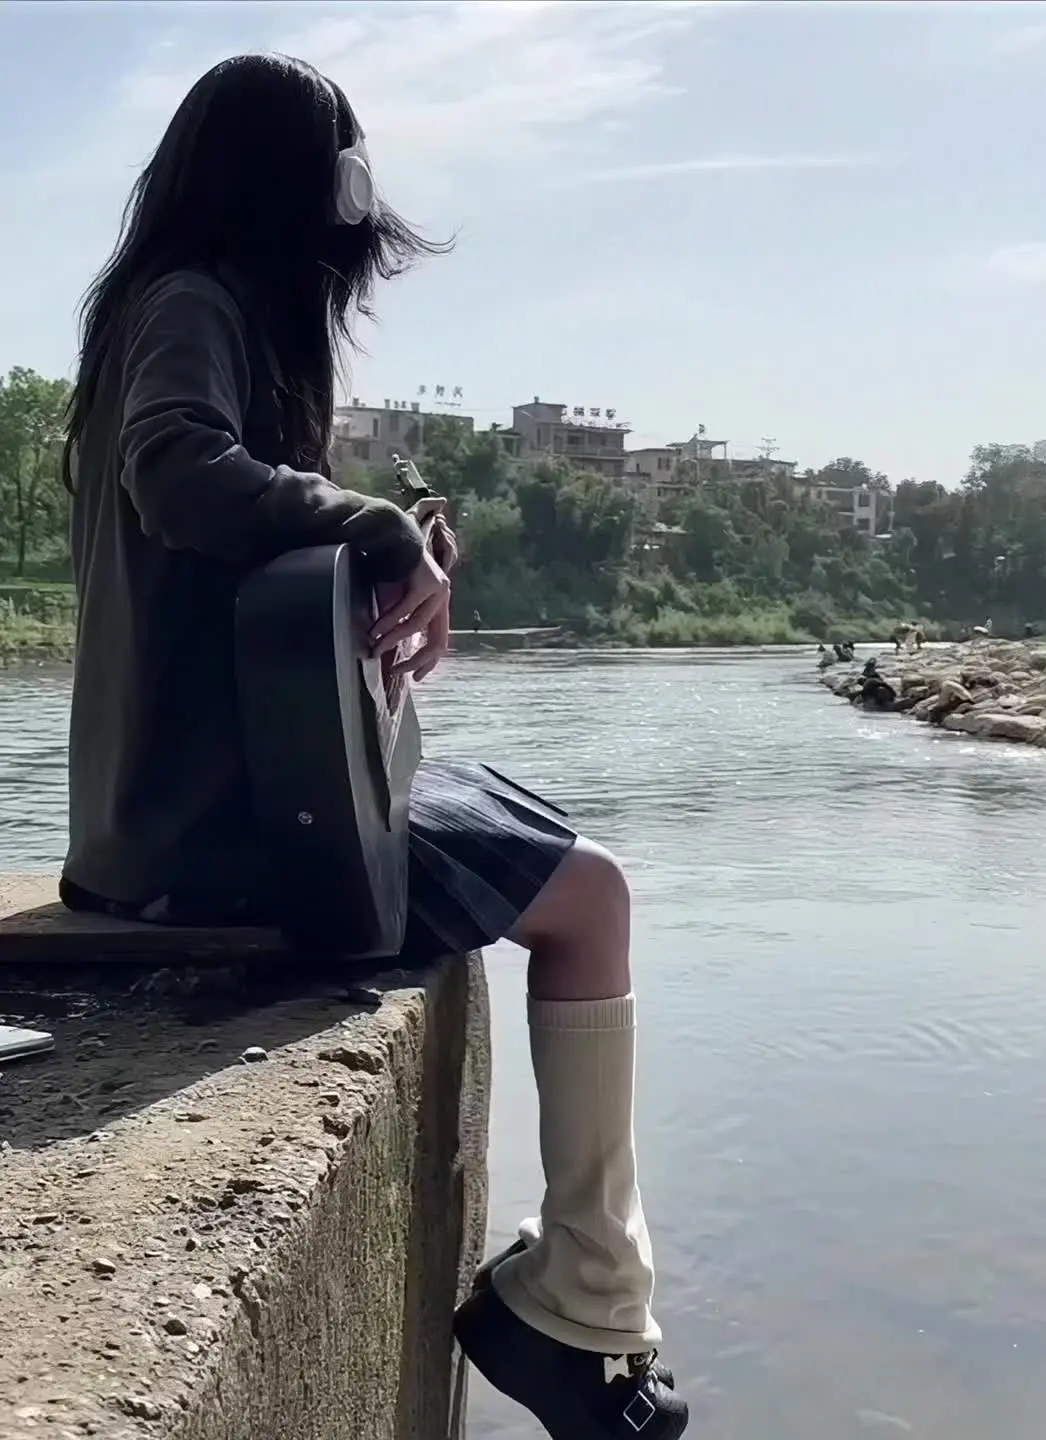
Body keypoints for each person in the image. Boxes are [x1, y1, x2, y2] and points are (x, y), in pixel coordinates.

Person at [59, 54, 687, 1440]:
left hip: (170, 820)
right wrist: (366, 522)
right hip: (217, 839)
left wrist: (391, 541)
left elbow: (248, 543)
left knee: (522, 816)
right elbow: (176, 467)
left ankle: (584, 1285)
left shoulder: (172, 308)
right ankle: (578, 1304)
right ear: (293, 198)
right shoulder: (192, 305)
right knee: (592, 897)